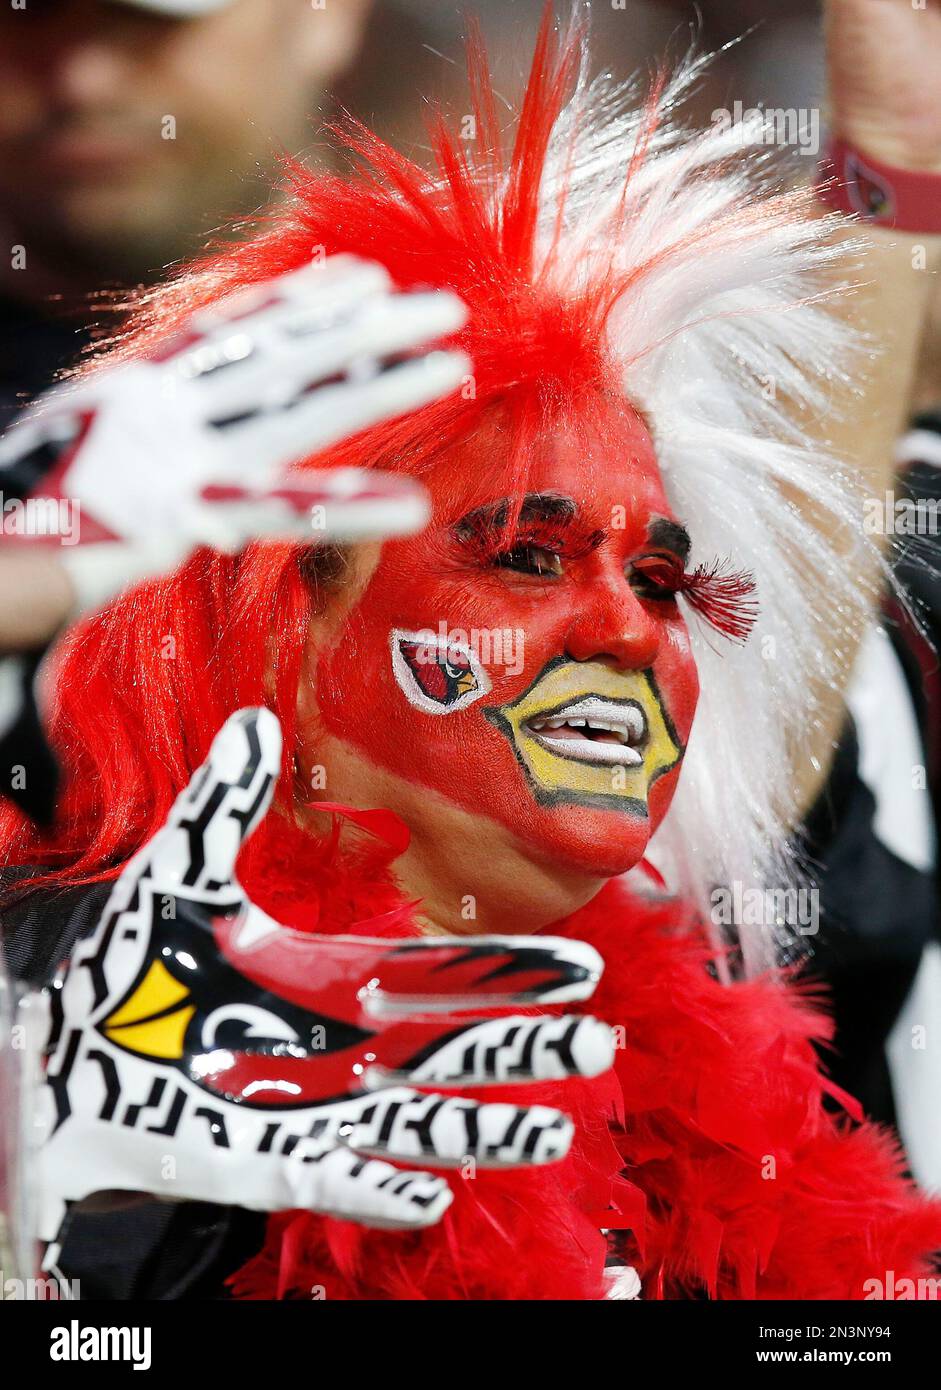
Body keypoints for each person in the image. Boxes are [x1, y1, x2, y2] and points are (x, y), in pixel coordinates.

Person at [4, 2, 941, 1299]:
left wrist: (897, 157)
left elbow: (793, 620)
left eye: (661, 577)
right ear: (286, 632)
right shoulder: (90, 1029)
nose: (628, 628)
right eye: (523, 555)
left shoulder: (685, 998)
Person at [0, 0, 372, 423]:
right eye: (27, 13)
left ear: (330, 13)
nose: (81, 82)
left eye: (149, 20)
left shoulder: (451, 366)